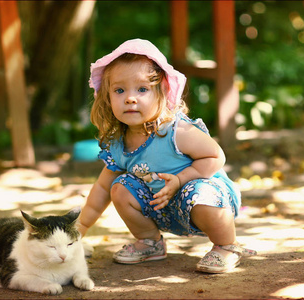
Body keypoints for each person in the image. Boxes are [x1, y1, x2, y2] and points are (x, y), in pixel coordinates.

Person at [77, 39, 256, 273]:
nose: (130, 98)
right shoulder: (118, 144)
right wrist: (78, 229)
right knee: (119, 187)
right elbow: (101, 189)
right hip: (162, 207)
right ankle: (151, 242)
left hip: (207, 202)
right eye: (120, 90)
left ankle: (226, 246)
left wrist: (181, 179)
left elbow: (215, 156)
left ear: (161, 91)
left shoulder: (175, 131)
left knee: (199, 190)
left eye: (142, 89)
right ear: (107, 98)